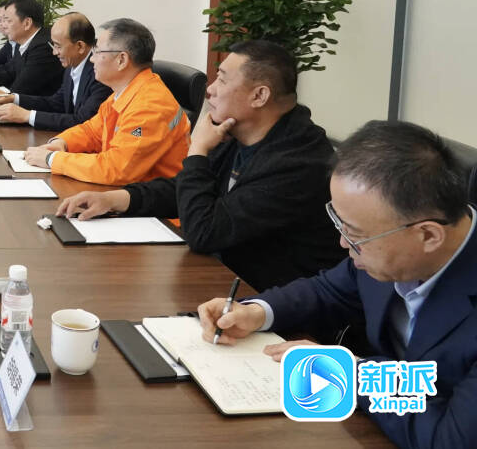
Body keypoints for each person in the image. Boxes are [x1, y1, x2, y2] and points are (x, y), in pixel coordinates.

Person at [198, 121, 477, 448]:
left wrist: (348, 372)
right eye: (339, 223)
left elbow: (450, 438)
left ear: (429, 235)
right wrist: (257, 313)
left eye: (355, 234)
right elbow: (328, 290)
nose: (344, 244)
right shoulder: (392, 242)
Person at [56, 40, 342, 290]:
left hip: (273, 304)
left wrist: (198, 151)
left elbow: (204, 233)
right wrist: (115, 199)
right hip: (226, 279)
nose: (210, 90)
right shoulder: (239, 131)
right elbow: (184, 190)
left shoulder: (297, 163)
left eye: (222, 81)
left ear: (259, 96)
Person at [23, 18, 190, 185]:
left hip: (153, 198)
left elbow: (116, 169)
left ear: (121, 60)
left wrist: (53, 159)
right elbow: (92, 131)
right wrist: (62, 143)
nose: (91, 59)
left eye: (97, 52)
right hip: (124, 191)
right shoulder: (125, 92)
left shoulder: (150, 106)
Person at [0, 11, 111, 130]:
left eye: (58, 46)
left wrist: (27, 116)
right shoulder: (72, 64)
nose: (54, 52)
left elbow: (83, 122)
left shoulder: (100, 73)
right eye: (53, 45)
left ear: (80, 46)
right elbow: (56, 103)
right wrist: (14, 98)